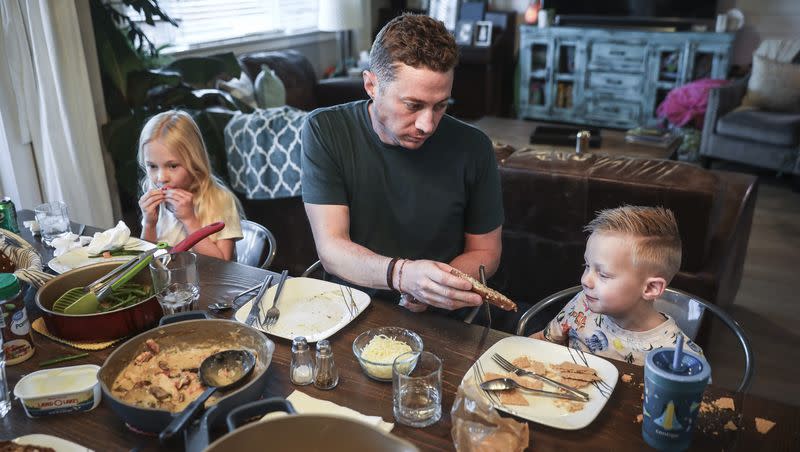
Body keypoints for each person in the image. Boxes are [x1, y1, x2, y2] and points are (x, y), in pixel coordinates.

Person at [301, 14, 504, 313]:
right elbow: (331, 248)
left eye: (441, 105)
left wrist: (436, 288)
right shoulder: (325, 130)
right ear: (371, 85)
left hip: (441, 316)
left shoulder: (474, 147)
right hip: (349, 308)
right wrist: (404, 276)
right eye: (413, 105)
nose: (428, 124)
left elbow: (486, 251)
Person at [531, 206, 703, 365]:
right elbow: (544, 341)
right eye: (587, 266)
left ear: (650, 289)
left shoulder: (680, 358)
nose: (585, 280)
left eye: (603, 274)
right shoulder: (581, 305)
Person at [137, 110, 243, 260]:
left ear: (194, 161)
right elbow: (147, 261)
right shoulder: (154, 198)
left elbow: (222, 264)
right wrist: (149, 224)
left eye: (172, 166)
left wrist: (189, 220)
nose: (161, 178)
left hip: (210, 282)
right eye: (152, 166)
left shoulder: (219, 200)